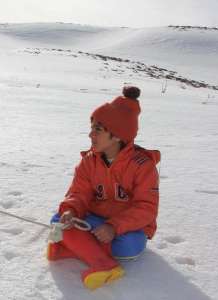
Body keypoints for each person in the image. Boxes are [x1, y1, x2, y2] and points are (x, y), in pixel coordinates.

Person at [47, 86, 160, 290]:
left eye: (98, 129)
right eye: (91, 127)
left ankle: (77, 247)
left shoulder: (143, 166)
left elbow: (146, 208)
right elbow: (78, 193)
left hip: (127, 228)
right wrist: (71, 211)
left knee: (129, 247)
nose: (90, 134)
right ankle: (102, 263)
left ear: (117, 135)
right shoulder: (89, 161)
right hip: (94, 219)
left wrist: (113, 226)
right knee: (59, 220)